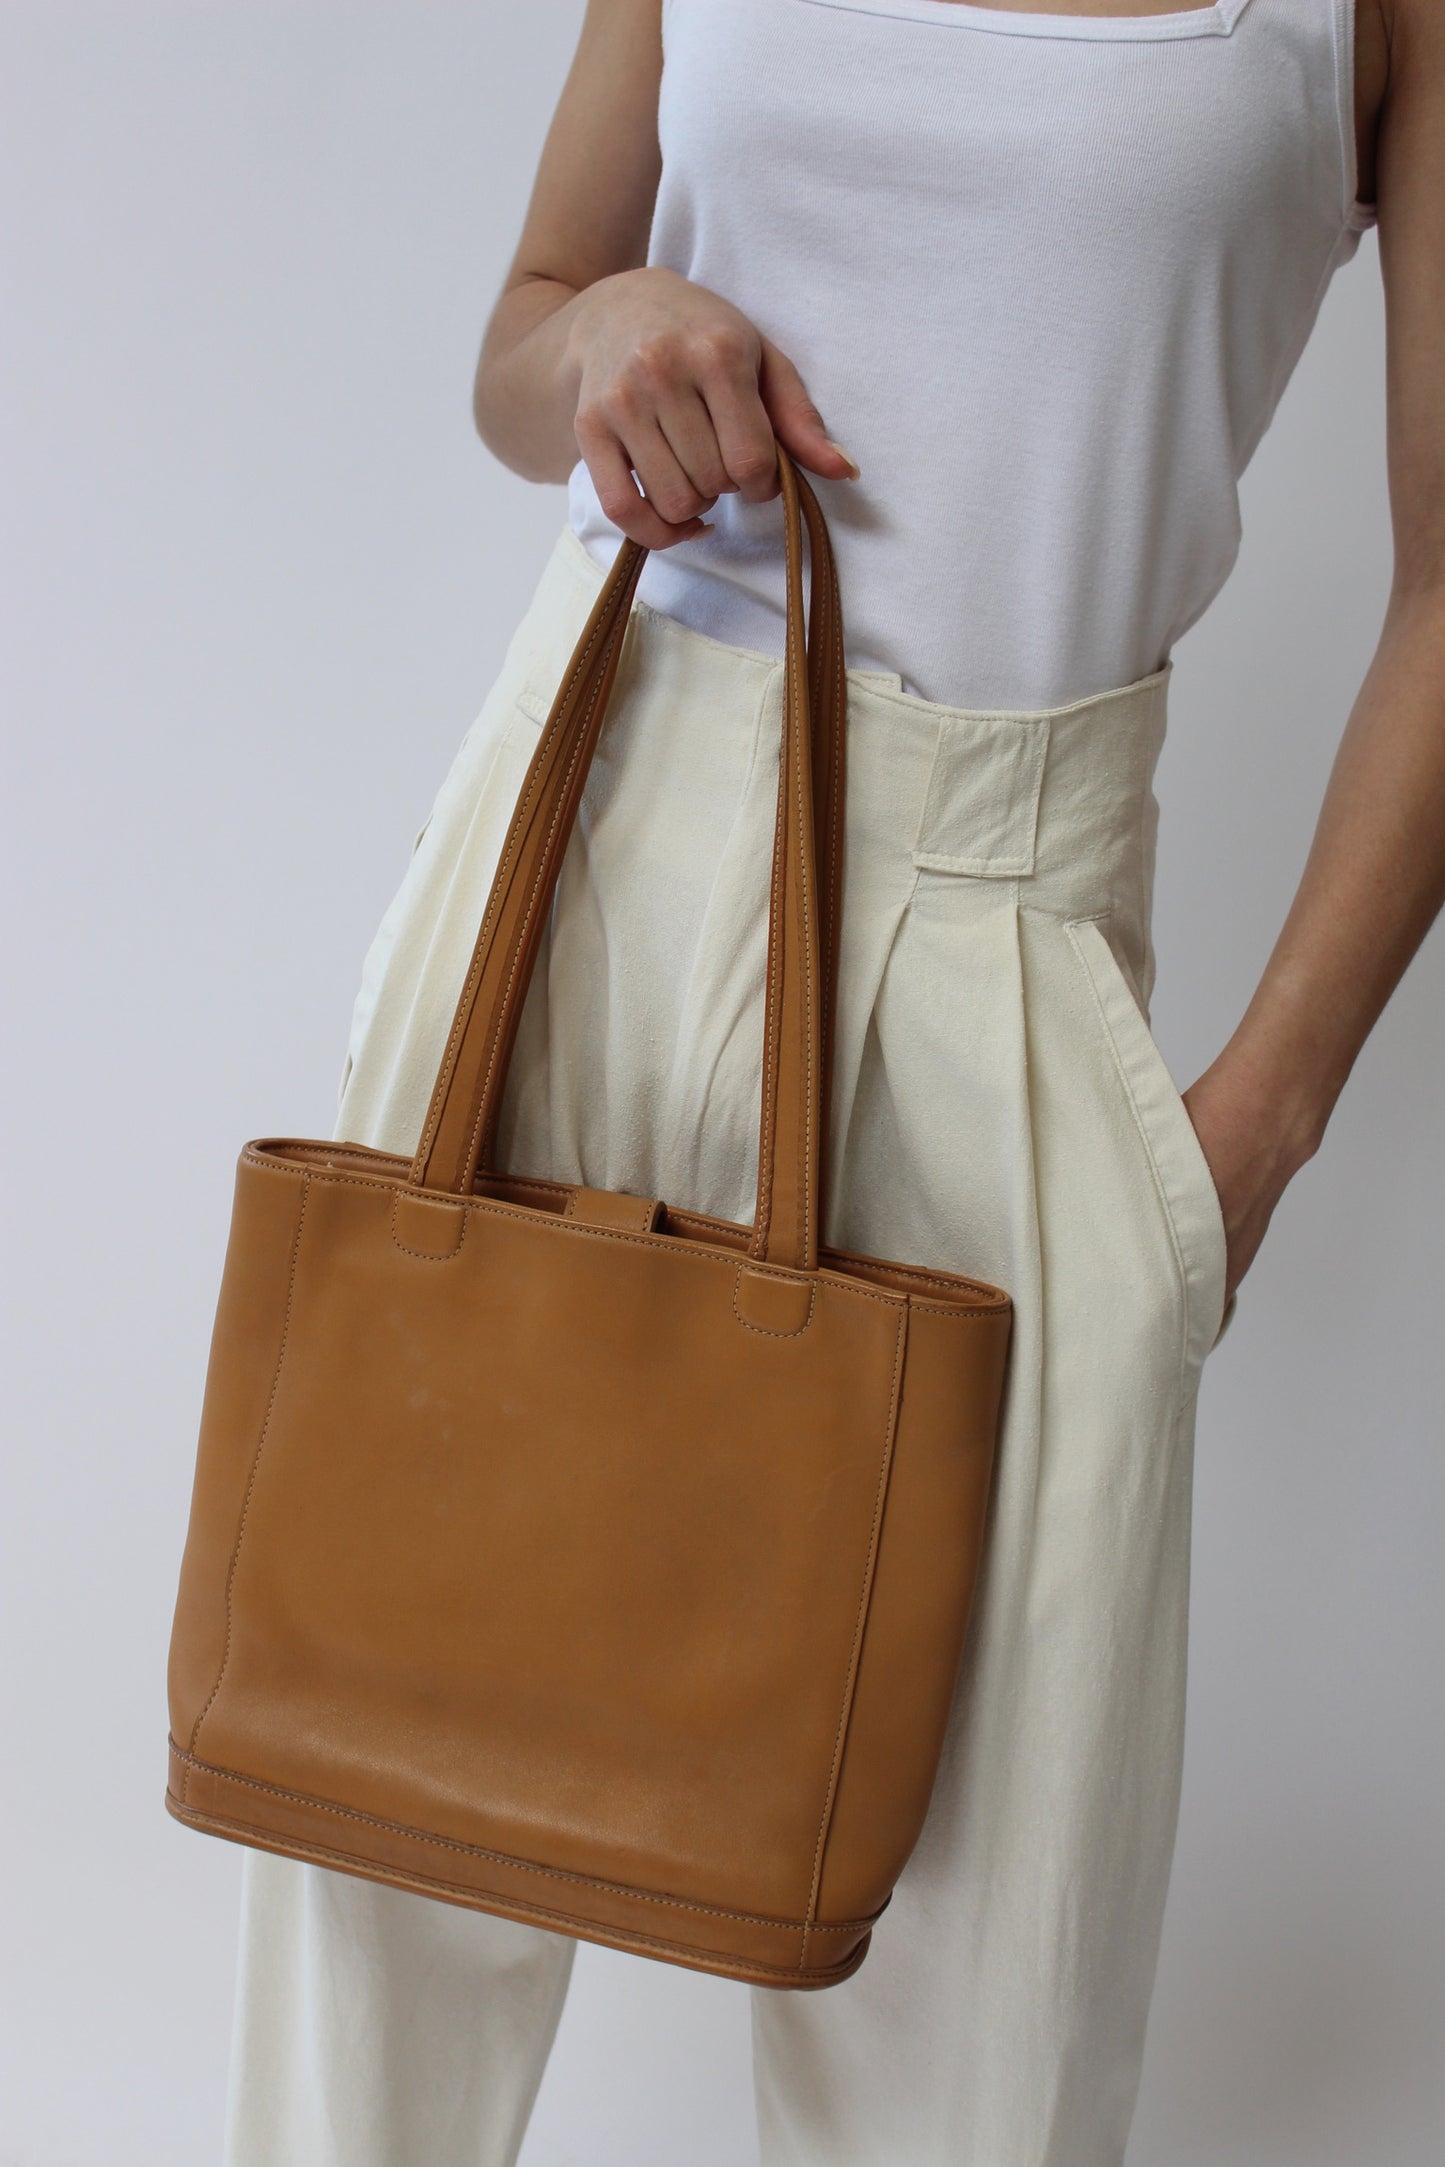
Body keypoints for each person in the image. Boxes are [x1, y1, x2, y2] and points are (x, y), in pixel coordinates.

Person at [220, 3, 1444, 2163]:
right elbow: (520, 336)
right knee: (377, 1852)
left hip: (1011, 926)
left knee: (982, 2010)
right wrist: (602, 332)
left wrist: (1251, 1132)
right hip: (575, 845)